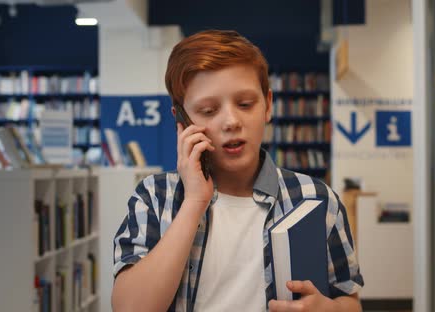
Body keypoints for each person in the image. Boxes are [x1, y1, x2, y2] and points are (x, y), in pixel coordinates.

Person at [111, 29, 364, 312]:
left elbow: (349, 300)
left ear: (267, 105)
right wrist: (195, 201)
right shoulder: (154, 198)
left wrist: (328, 309)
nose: (231, 121)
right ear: (181, 120)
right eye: (208, 110)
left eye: (245, 104)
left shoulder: (316, 199)